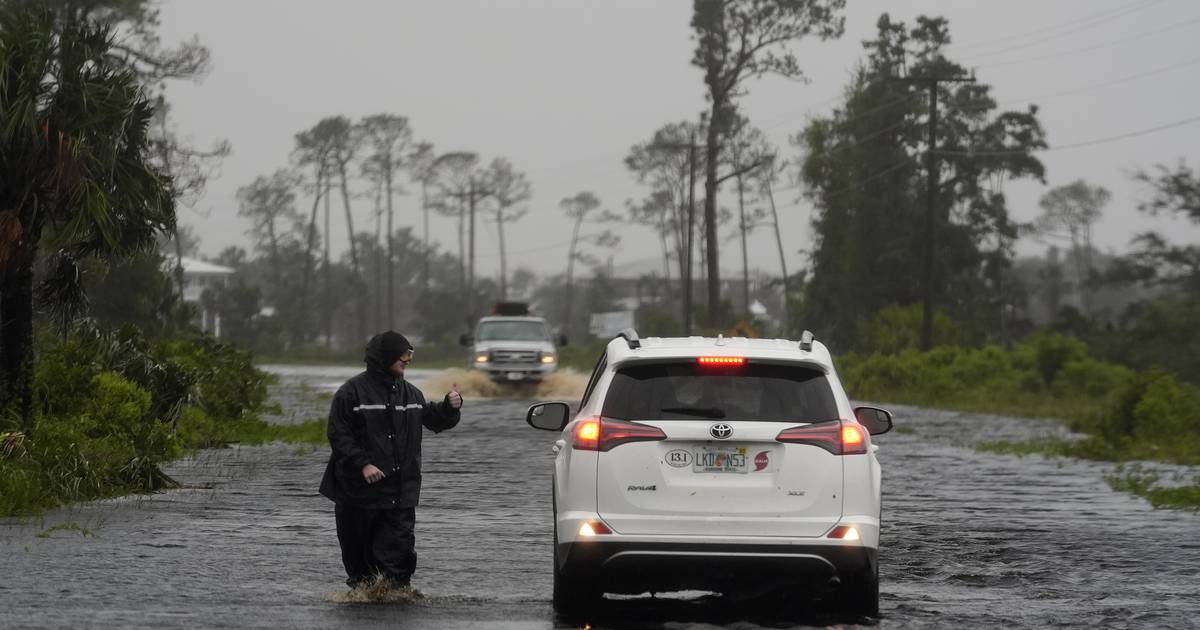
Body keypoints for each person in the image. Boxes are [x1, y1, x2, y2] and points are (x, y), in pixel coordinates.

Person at [319, 330, 463, 589]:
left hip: (399, 496)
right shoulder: (351, 393)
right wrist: (363, 463)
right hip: (357, 496)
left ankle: (396, 606)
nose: (408, 360)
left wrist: (449, 408)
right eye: (404, 354)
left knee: (396, 572)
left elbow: (434, 419)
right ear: (385, 357)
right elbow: (338, 434)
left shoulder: (412, 395)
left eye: (411, 354)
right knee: (362, 575)